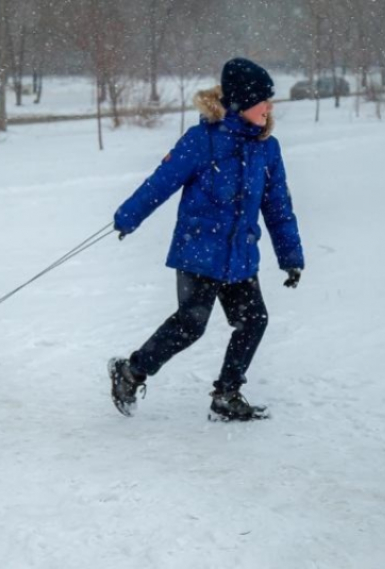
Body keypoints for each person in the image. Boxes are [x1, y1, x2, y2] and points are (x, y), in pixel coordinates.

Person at [109, 58, 304, 422]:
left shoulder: (267, 148)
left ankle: (227, 394)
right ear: (244, 102)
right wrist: (128, 216)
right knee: (191, 324)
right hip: (199, 250)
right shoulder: (203, 141)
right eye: (264, 99)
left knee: (254, 319)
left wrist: (291, 255)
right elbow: (161, 181)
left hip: (240, 254)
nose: (270, 107)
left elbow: (278, 206)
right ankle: (131, 372)